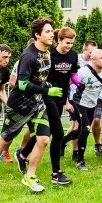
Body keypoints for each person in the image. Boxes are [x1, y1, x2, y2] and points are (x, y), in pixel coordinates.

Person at [0, 17, 58, 193]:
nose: (51, 34)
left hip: (38, 104)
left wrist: (46, 86)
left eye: (52, 31)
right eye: (47, 31)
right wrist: (47, 91)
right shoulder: (28, 56)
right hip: (20, 105)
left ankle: (29, 176)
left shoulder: (46, 52)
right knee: (6, 138)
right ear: (37, 35)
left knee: (44, 139)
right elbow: (21, 84)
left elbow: (39, 78)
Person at [15, 27, 78, 185]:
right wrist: (47, 90)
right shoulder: (50, 55)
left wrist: (79, 82)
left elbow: (73, 74)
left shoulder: (73, 56)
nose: (69, 46)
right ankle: (56, 173)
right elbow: (39, 77)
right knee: (57, 133)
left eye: (72, 43)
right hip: (47, 97)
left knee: (44, 133)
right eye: (67, 42)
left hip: (60, 97)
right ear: (59, 40)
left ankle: (22, 155)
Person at [64, 48, 102, 171]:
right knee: (85, 129)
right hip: (78, 103)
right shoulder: (83, 72)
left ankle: (62, 141)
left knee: (80, 130)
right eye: (101, 58)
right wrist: (66, 102)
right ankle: (80, 160)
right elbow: (65, 84)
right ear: (93, 60)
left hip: (92, 104)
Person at [64, 39, 96, 160]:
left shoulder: (95, 63)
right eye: (90, 52)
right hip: (74, 97)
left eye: (94, 52)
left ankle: (63, 141)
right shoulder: (75, 59)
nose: (92, 55)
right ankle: (75, 152)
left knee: (76, 127)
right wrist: (65, 100)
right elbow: (67, 80)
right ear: (84, 50)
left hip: (88, 100)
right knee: (78, 125)